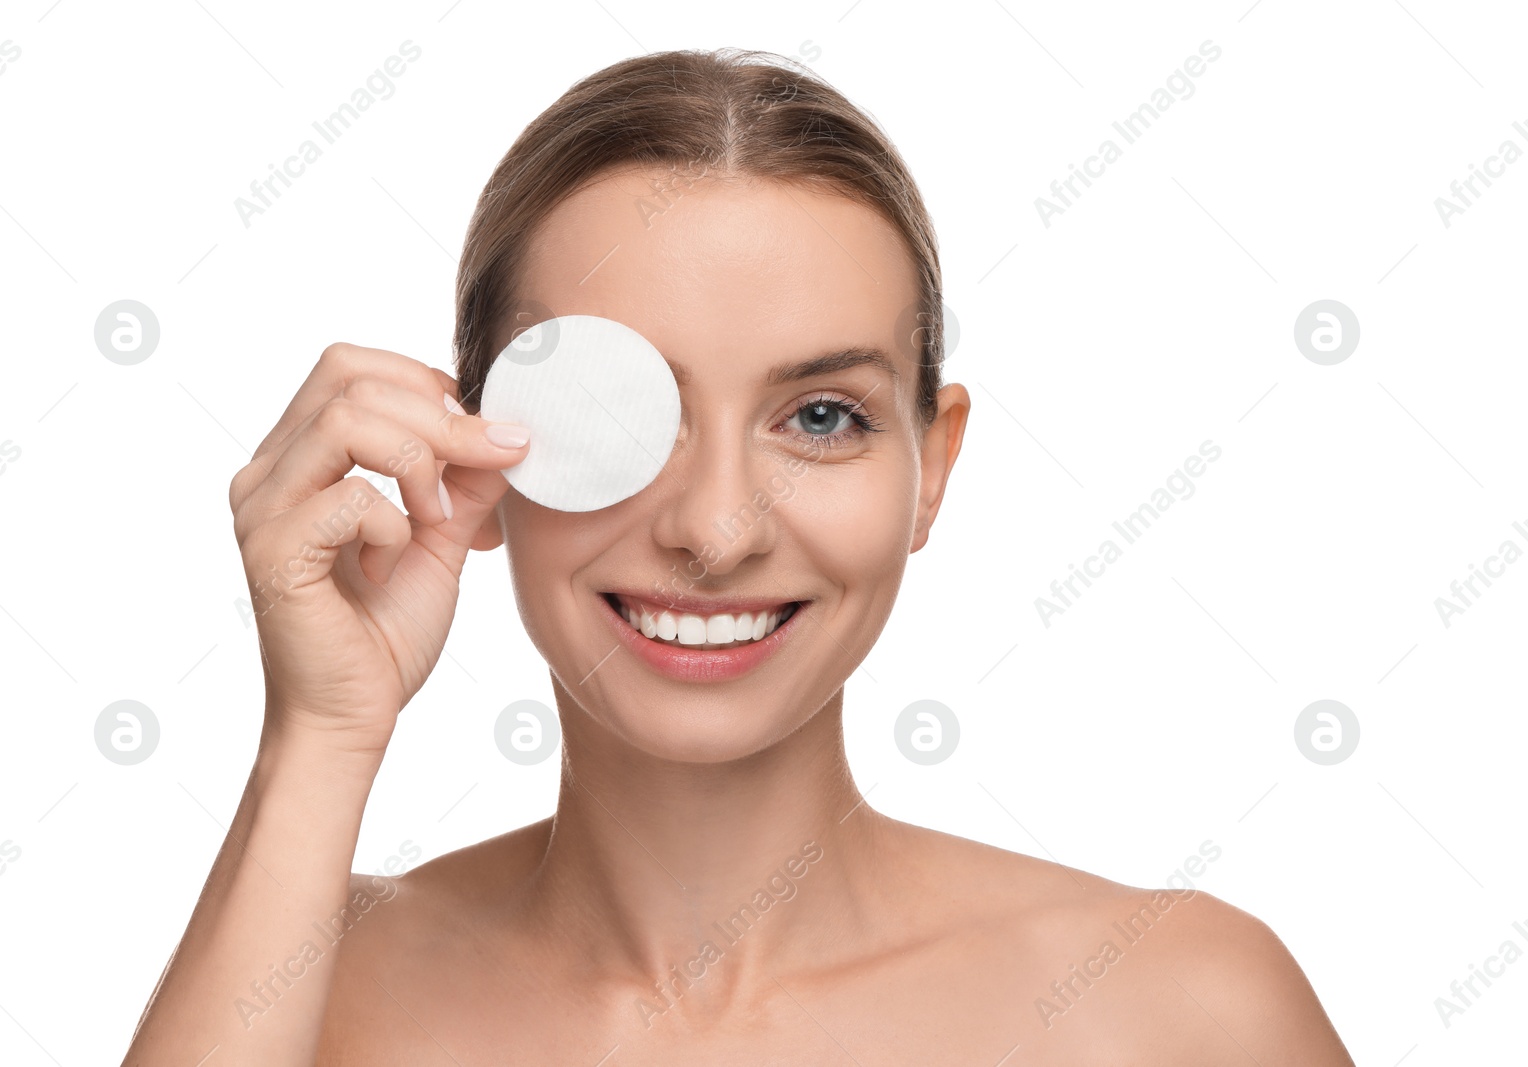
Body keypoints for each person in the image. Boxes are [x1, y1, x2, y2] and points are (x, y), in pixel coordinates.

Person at [122, 47, 1356, 1065]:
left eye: (821, 417)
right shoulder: (298, 991)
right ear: (471, 454)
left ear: (934, 466)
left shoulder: (1178, 1013)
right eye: (615, 414)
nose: (715, 530)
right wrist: (322, 735)